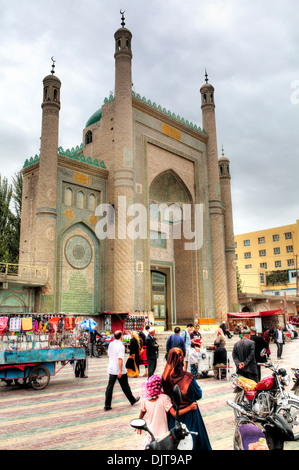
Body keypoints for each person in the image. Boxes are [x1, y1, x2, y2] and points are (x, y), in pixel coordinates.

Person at [162, 348, 212, 450]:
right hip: (190, 413)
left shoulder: (165, 376)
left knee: (175, 444)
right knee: (193, 442)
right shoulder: (187, 377)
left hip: (173, 415)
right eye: (181, 356)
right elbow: (198, 394)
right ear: (180, 359)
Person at [136, 374, 197, 449]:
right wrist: (189, 408)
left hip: (150, 436)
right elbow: (174, 414)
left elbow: (142, 411)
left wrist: (139, 424)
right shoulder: (164, 398)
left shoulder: (145, 400)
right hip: (163, 437)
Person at [104, 330, 140, 411]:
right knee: (125, 386)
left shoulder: (111, 344)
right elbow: (120, 359)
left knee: (110, 387)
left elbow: (109, 355)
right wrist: (120, 371)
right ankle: (132, 400)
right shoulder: (121, 346)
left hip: (112, 368)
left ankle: (107, 404)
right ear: (121, 336)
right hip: (119, 370)